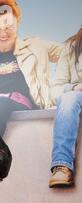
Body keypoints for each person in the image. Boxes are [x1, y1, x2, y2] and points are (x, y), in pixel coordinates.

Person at [0, 0, 61, 136]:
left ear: (17, 22)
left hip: (16, 104)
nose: (3, 33)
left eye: (9, 27)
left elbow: (72, 52)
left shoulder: (34, 47)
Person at [49, 27, 82, 188]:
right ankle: (62, 166)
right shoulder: (71, 47)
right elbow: (55, 90)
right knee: (68, 98)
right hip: (77, 96)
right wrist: (75, 88)